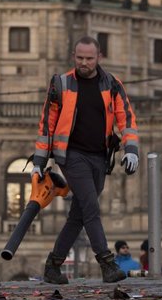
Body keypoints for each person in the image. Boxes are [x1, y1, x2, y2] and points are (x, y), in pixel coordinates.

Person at [32, 36, 140, 284]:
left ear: (98, 57)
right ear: (74, 56)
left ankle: (53, 265)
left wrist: (131, 148)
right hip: (71, 155)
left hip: (100, 158)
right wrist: (40, 160)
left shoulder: (112, 84)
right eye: (80, 58)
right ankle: (107, 263)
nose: (84, 63)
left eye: (89, 58)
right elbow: (46, 124)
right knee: (91, 207)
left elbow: (127, 119)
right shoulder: (61, 84)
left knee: (78, 215)